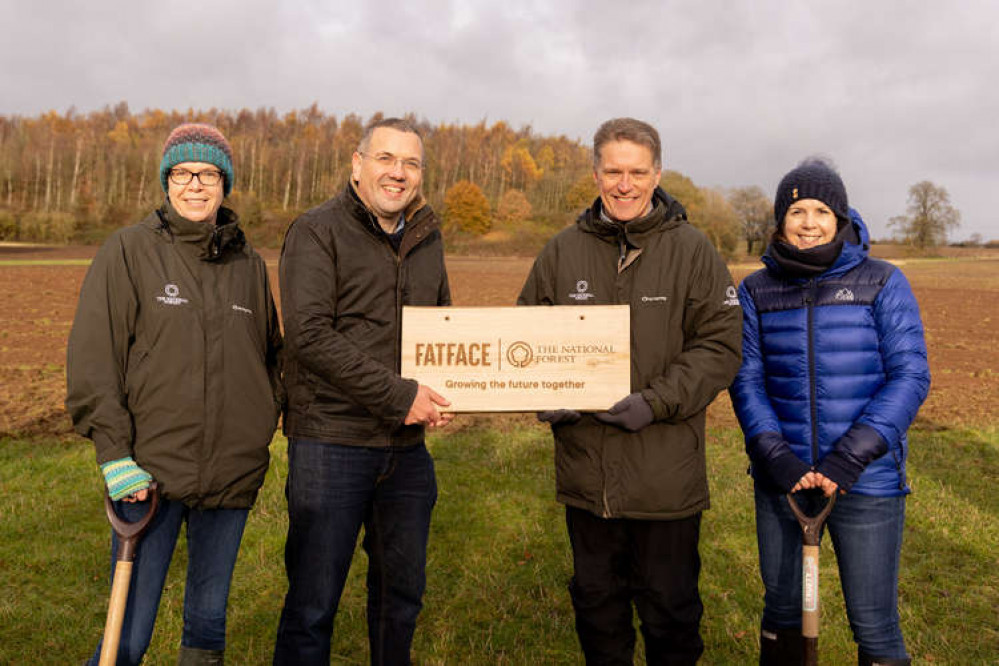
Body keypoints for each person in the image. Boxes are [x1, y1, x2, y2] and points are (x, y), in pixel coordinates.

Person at [518, 117, 743, 665]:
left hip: (664, 479)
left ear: (657, 174)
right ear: (595, 173)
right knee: (598, 610)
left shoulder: (693, 252)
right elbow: (524, 338)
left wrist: (655, 401)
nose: (625, 184)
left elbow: (719, 347)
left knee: (670, 613)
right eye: (613, 171)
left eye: (637, 172)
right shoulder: (561, 251)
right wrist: (545, 393)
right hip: (588, 476)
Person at [67, 123, 283, 665]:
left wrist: (260, 430)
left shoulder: (248, 265)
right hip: (149, 477)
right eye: (183, 173)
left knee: (207, 625)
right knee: (130, 631)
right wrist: (116, 456)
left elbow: (271, 359)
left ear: (224, 184)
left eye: (208, 174)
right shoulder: (129, 252)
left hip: (230, 476)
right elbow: (95, 360)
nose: (195, 185)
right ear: (166, 180)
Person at [729, 158, 930, 666]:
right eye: (797, 210)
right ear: (780, 221)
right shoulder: (755, 291)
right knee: (782, 610)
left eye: (821, 210)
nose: (809, 221)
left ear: (840, 218)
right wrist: (778, 459)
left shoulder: (882, 282)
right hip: (785, 479)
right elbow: (746, 380)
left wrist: (847, 460)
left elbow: (909, 377)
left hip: (867, 481)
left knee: (873, 621)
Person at [273, 117, 453, 665]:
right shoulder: (316, 230)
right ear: (357, 165)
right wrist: (401, 396)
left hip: (405, 451)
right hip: (331, 442)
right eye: (385, 159)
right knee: (313, 603)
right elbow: (308, 335)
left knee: (400, 598)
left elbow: (440, 324)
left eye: (411, 163)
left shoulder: (426, 236)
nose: (397, 173)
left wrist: (448, 388)